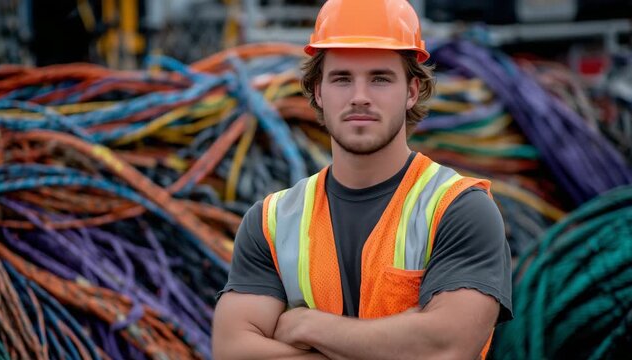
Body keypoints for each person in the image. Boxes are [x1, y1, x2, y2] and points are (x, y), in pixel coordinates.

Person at [213, 0, 512, 358]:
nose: (360, 97)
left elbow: (445, 348)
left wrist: (308, 326)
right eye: (342, 79)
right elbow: (233, 350)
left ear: (411, 91)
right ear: (319, 92)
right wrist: (394, 343)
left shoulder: (458, 210)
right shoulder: (271, 223)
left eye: (380, 78)